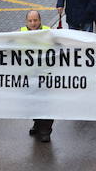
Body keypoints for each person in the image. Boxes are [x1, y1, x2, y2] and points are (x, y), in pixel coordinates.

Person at [20, 11, 54, 143]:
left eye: (35, 20)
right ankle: (37, 124)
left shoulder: (49, 32)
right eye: (30, 21)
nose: (33, 23)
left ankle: (45, 131)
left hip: (45, 76)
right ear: (26, 22)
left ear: (40, 20)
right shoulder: (20, 33)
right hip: (28, 77)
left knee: (45, 104)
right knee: (32, 103)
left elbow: (59, 46)